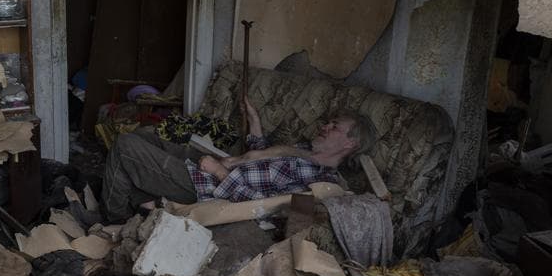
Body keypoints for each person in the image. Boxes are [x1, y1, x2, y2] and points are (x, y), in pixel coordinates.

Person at [101, 100, 377, 222]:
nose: (325, 127)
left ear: (350, 143)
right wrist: (255, 124)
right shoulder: (306, 150)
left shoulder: (322, 184)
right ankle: (132, 205)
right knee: (142, 137)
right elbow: (263, 162)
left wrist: (221, 173)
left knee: (126, 147)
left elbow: (267, 210)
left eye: (335, 127)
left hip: (208, 186)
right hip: (214, 164)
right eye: (328, 122)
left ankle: (112, 218)